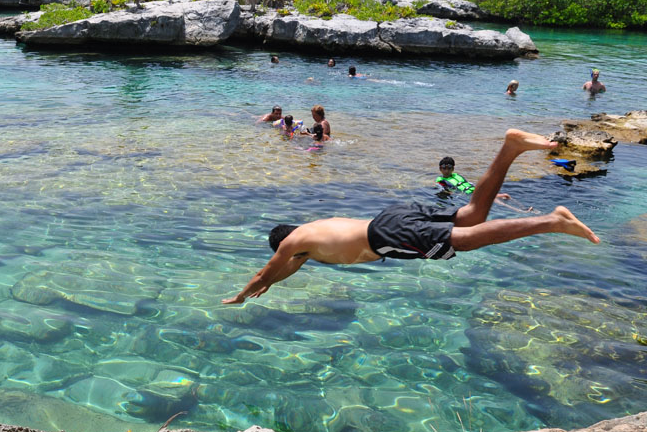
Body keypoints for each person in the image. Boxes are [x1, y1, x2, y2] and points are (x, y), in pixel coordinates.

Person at [222, 130, 598, 304]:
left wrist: (243, 294)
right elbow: (283, 271)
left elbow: (269, 269)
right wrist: (269, 284)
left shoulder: (294, 245)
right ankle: (510, 147)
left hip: (384, 237)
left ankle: (553, 221)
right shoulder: (311, 233)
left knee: (465, 240)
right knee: (472, 214)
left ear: (285, 245)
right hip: (390, 218)